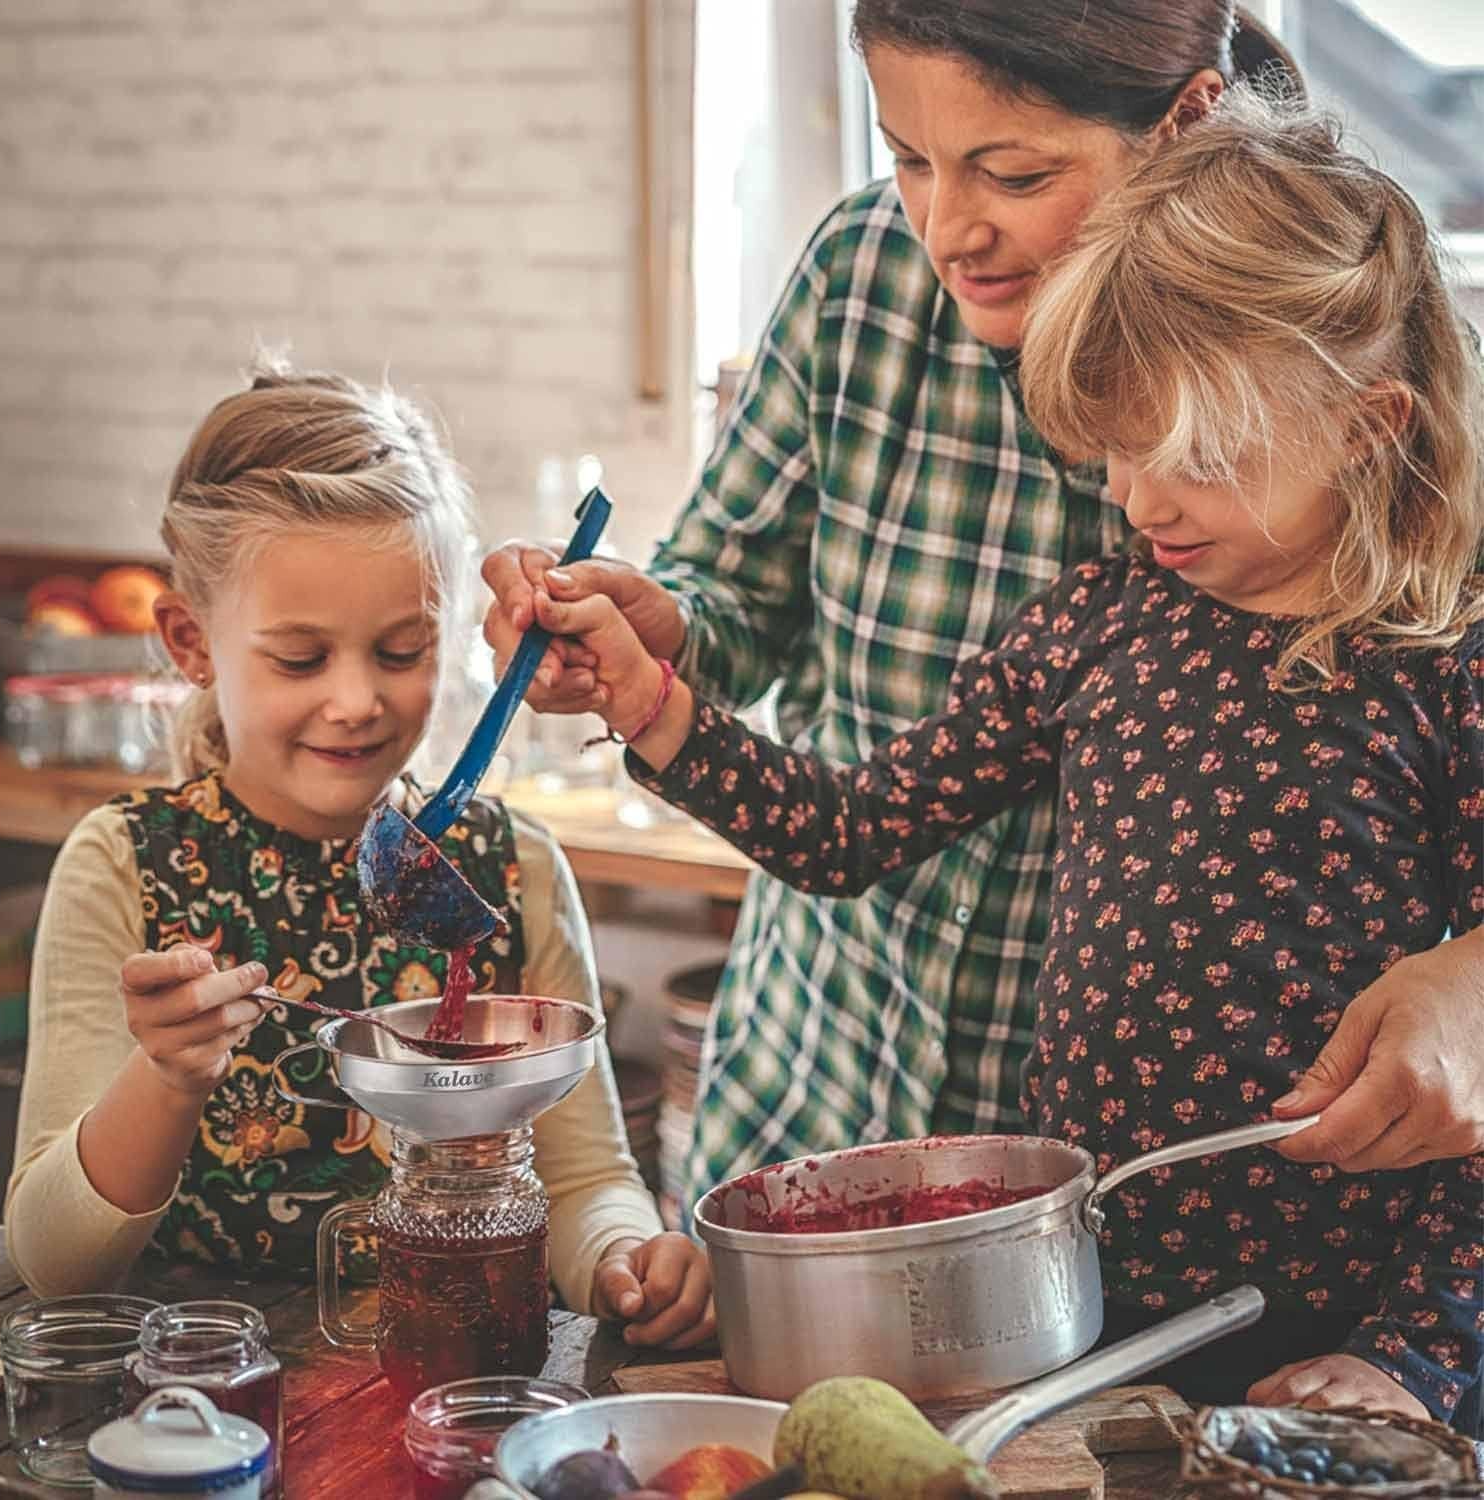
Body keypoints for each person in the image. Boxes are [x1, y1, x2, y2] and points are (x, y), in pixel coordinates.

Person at [528, 88, 1484, 1426]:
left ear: (1373, 424)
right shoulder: (1097, 625)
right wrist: (657, 710)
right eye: (1122, 448)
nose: (1146, 499)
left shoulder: (1447, 667)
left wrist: (1416, 1359)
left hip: (1358, 1343)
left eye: (1198, 457)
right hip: (1084, 1318)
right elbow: (846, 833)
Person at [5, 359, 714, 1352]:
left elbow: (588, 1180)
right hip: (203, 1407)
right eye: (300, 658)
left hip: (459, 1385)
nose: (356, 701)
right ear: (190, 641)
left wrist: (625, 1260)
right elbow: (55, 1260)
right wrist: (165, 1077)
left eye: (400, 651)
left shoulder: (513, 870)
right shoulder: (123, 864)